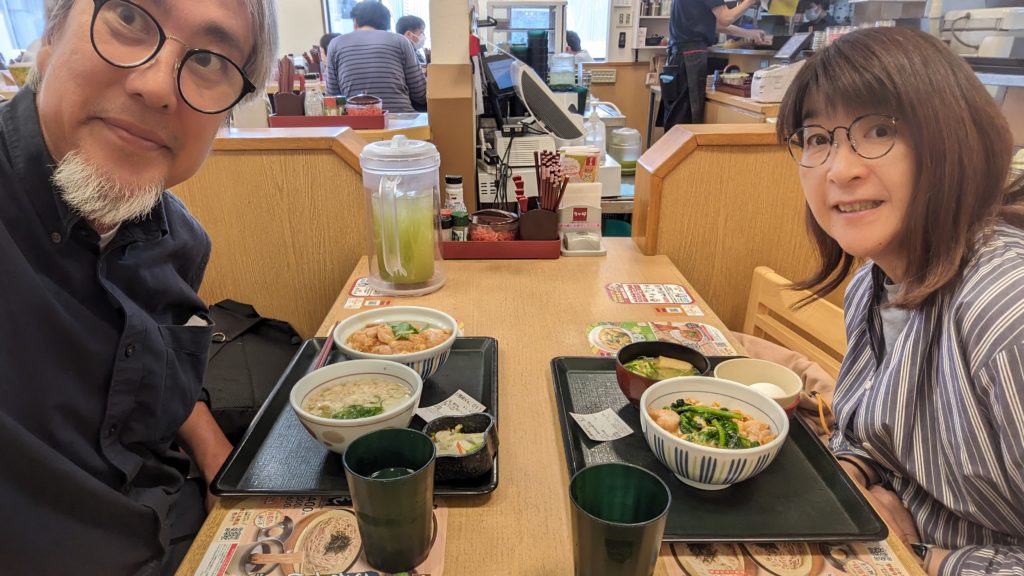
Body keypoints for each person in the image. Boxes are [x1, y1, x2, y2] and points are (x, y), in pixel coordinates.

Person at [0, 0, 278, 574]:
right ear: (51, 34)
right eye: (128, 18)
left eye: (210, 59)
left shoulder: (179, 240)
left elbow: (152, 366)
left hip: (183, 532)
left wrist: (218, 458)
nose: (157, 87)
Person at [777, 27, 1024, 575]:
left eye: (880, 131)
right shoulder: (871, 284)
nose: (840, 169)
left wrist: (927, 558)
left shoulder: (1007, 308)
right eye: (817, 138)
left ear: (953, 140)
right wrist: (851, 480)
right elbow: (873, 436)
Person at [661, 0, 768, 130]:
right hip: (690, 57)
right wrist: (750, 2)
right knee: (685, 122)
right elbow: (726, 18)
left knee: (676, 118)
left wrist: (750, 33)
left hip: (676, 57)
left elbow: (715, 24)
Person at [327, 1, 426, 113]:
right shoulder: (400, 41)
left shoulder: (335, 44)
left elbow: (333, 97)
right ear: (386, 23)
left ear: (355, 21)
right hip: (401, 118)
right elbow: (420, 93)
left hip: (356, 120)